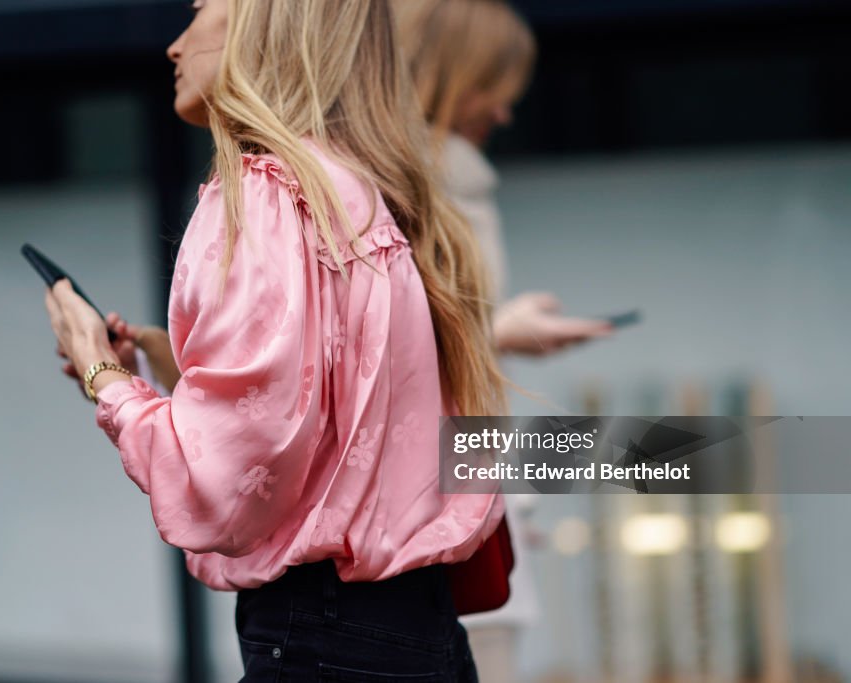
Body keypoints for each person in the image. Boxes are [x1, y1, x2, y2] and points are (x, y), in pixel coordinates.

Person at [41, 0, 507, 680]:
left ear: (265, 20)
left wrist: (99, 374)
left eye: (201, 9)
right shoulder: (374, 198)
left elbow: (223, 490)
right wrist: (179, 378)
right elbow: (355, 443)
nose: (175, 45)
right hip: (424, 634)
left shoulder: (261, 195)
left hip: (322, 638)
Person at [393, 1, 613, 680]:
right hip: (439, 526)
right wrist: (499, 331)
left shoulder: (445, 184)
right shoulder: (415, 191)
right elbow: (395, 354)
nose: (506, 113)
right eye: (496, 88)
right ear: (450, 77)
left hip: (458, 510)